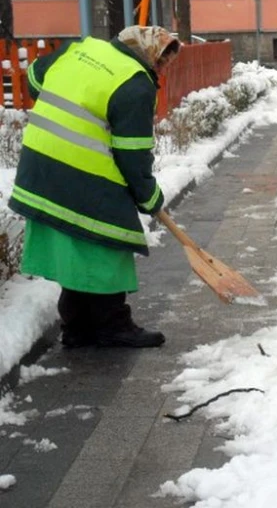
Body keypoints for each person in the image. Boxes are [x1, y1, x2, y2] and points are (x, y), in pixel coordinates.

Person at [9, 26, 181, 348]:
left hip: (40, 165)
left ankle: (78, 326)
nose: (161, 70)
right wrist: (149, 197)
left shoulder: (79, 49)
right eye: (161, 61)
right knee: (109, 239)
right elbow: (133, 155)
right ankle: (112, 324)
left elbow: (34, 79)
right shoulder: (135, 83)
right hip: (80, 168)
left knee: (79, 243)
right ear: (146, 55)